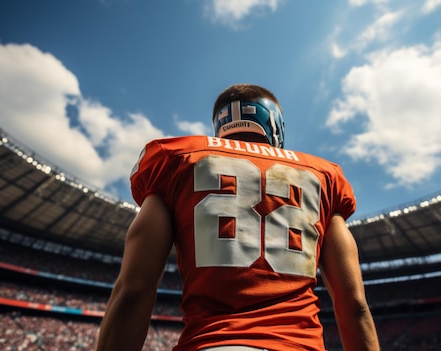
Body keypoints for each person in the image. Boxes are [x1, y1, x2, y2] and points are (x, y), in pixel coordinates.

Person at [96, 84, 380, 351]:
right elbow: (353, 303)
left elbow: (134, 289)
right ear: (276, 124)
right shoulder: (325, 176)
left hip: (212, 342)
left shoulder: (176, 158)